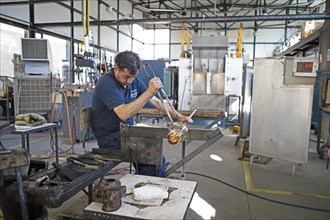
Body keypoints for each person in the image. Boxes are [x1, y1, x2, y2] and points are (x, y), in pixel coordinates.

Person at [92, 51, 192, 175]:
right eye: (126, 76)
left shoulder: (134, 82)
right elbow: (123, 114)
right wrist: (149, 91)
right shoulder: (106, 83)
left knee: (155, 152)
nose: (129, 81)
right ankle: (145, 185)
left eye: (132, 77)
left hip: (127, 132)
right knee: (148, 154)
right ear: (116, 68)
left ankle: (147, 182)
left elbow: (156, 102)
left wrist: (178, 116)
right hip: (110, 138)